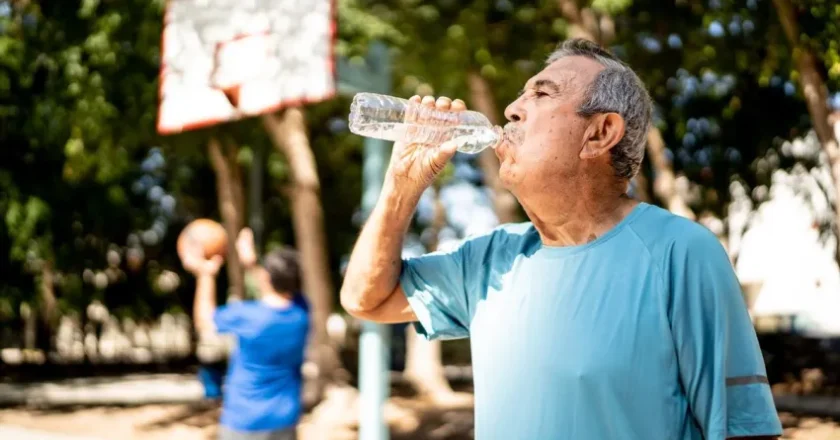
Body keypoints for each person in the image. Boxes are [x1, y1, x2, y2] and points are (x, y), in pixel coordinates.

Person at [340, 39, 782, 440]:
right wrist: (402, 186)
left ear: (600, 133)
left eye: (542, 93)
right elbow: (366, 300)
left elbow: (747, 431)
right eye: (521, 93)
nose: (513, 108)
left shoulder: (680, 253)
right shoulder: (490, 258)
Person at [182, 228, 309, 440]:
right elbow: (275, 287)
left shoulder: (248, 316)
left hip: (244, 421)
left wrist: (206, 274)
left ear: (268, 278)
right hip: (285, 418)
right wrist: (251, 263)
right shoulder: (302, 312)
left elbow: (205, 320)